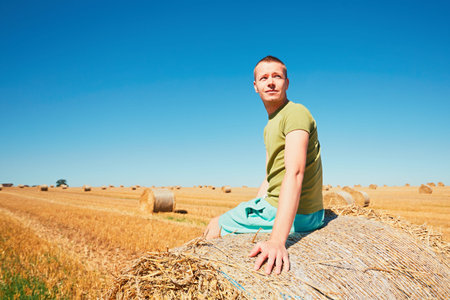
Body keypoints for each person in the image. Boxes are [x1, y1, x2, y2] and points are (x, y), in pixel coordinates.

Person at [203, 56, 324, 275]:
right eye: (264, 78)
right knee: (243, 209)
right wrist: (255, 203)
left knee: (216, 224)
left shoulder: (295, 113)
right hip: (304, 212)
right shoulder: (270, 126)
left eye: (277, 76)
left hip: (298, 214)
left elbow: (295, 173)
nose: (270, 82)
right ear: (255, 87)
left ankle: (208, 273)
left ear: (287, 83)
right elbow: (270, 176)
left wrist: (277, 241)